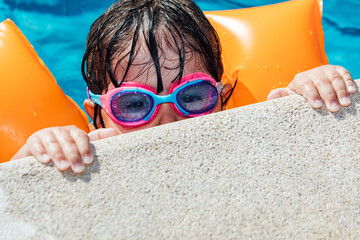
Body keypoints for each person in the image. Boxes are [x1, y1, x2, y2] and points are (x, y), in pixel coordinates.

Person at [11, 0, 355, 173]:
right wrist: (34, 157)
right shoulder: (86, 151)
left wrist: (307, 100)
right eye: (133, 104)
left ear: (220, 99)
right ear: (97, 115)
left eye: (191, 97)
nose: (167, 121)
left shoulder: (237, 140)